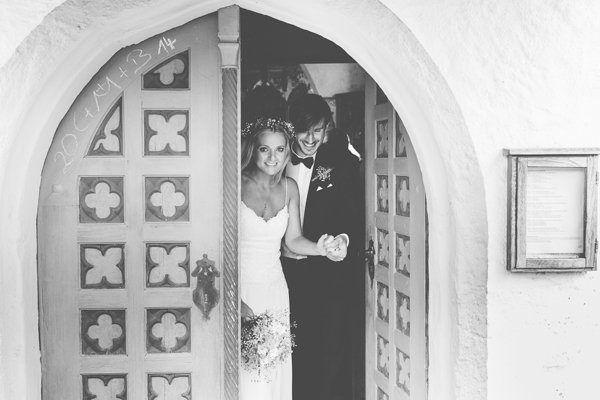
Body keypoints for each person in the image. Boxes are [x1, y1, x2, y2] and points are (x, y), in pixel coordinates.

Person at [239, 117, 345, 400]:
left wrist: (321, 249)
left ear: (287, 151)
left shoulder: (289, 188)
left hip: (274, 292)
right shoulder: (235, 183)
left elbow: (293, 240)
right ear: (253, 149)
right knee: (244, 377)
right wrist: (233, 298)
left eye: (280, 149)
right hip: (240, 288)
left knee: (270, 375)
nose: (272, 157)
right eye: (265, 149)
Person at [282, 94, 361, 400]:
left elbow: (351, 214)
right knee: (291, 349)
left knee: (329, 349)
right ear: (291, 127)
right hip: (283, 271)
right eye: (304, 130)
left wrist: (344, 240)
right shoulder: (275, 158)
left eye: (317, 130)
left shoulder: (340, 161)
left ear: (326, 128)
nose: (311, 139)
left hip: (327, 273)